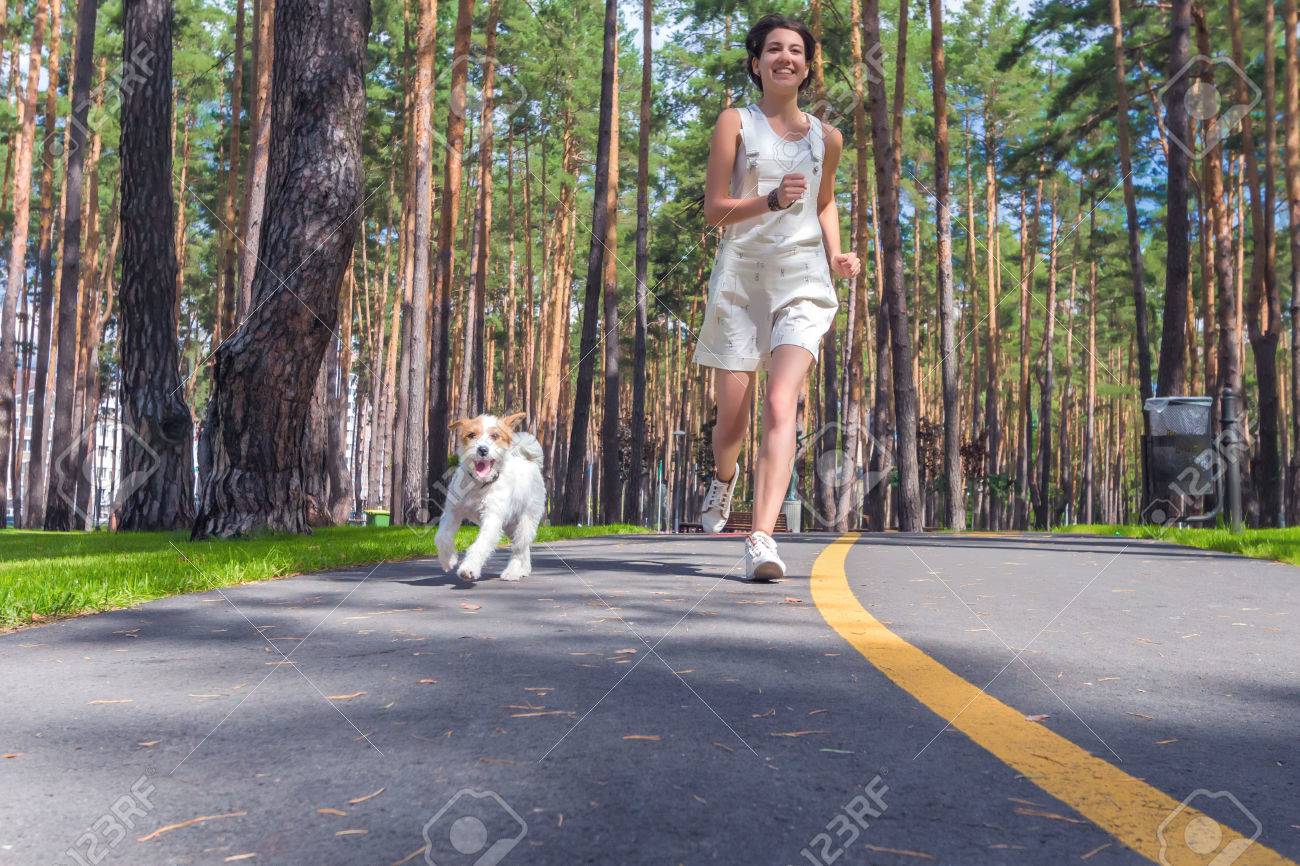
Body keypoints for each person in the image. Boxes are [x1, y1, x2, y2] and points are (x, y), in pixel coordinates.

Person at [694, 12, 860, 580]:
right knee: (731, 424)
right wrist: (768, 201)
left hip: (802, 282)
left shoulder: (827, 138)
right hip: (741, 281)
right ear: (757, 62)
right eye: (773, 49)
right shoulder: (734, 123)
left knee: (780, 401)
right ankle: (722, 481)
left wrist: (836, 254)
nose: (785, 57)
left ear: (808, 66)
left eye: (795, 50)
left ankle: (761, 537)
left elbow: (824, 201)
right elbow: (716, 210)